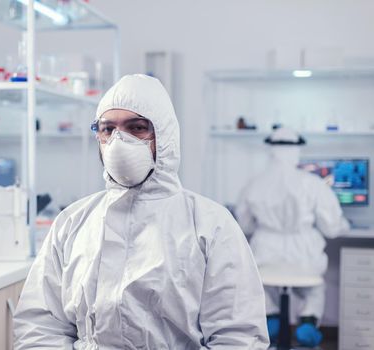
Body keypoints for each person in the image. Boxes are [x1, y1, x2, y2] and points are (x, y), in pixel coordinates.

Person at [14, 74, 269, 349]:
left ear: (164, 136)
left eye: (136, 128)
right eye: (108, 129)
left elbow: (238, 338)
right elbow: (40, 326)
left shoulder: (211, 226)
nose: (119, 141)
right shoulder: (72, 222)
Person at [235, 127, 350, 348]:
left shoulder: (254, 184)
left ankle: (272, 319)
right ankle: (307, 322)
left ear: (271, 151)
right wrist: (344, 225)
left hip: (266, 247)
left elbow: (244, 224)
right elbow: (332, 226)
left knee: (265, 286)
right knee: (314, 288)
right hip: (303, 250)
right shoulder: (312, 184)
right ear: (297, 150)